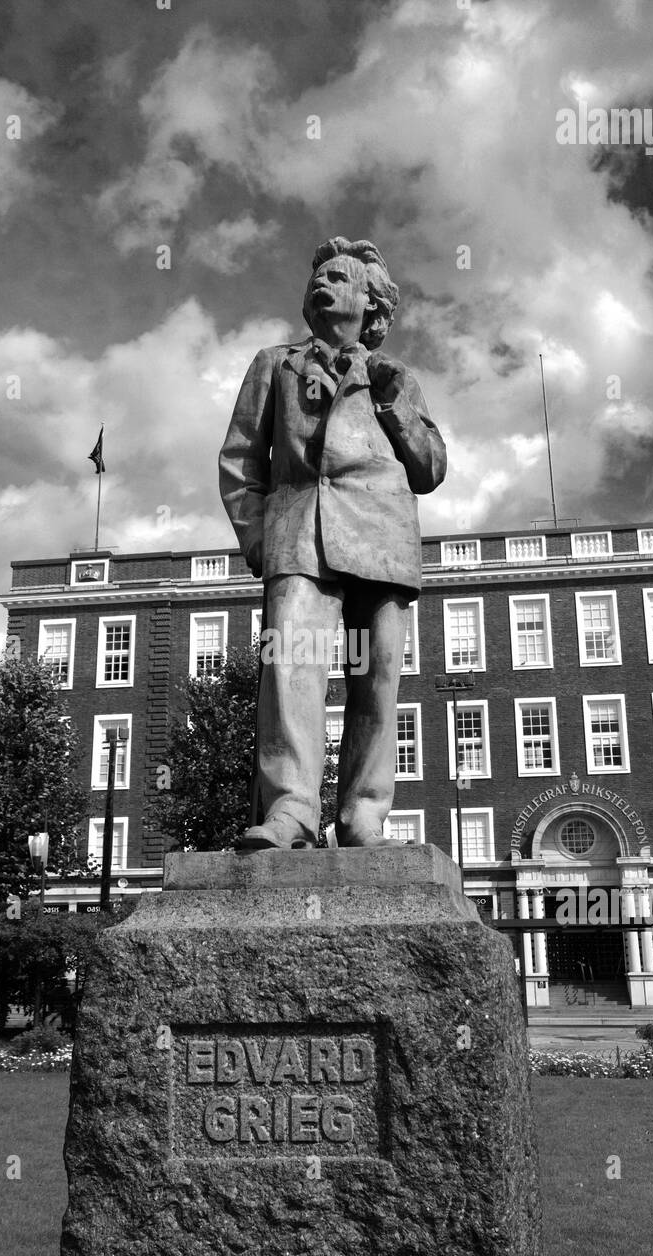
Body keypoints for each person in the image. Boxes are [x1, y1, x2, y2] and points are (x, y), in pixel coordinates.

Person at [219, 236, 447, 850]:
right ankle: (290, 811)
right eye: (317, 276)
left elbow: (429, 469)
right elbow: (241, 462)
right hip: (299, 533)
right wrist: (260, 540)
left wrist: (396, 404)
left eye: (339, 277)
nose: (321, 283)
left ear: (372, 303)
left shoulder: (399, 379)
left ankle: (362, 816)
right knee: (289, 665)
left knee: (377, 678)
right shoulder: (275, 363)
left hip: (382, 538)